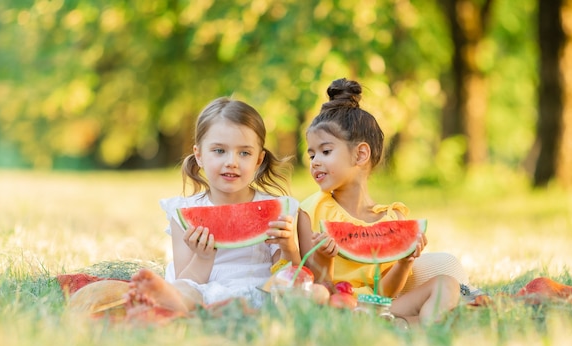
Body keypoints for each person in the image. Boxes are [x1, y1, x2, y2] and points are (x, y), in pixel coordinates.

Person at [297, 78, 472, 327]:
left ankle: (427, 329)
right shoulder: (310, 210)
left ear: (360, 154)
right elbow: (315, 283)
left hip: (378, 307)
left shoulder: (393, 219)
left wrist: (404, 261)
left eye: (325, 152)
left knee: (447, 283)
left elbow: (386, 293)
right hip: (335, 306)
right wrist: (326, 258)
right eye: (311, 154)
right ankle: (411, 325)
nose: (314, 161)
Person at [126, 97, 300, 316]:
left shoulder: (277, 209)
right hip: (203, 290)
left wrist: (289, 247)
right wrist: (203, 257)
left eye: (244, 153)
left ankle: (170, 308)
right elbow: (186, 278)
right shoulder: (182, 211)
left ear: (258, 160)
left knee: (296, 292)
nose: (232, 162)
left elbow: (287, 275)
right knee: (184, 290)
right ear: (199, 156)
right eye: (219, 151)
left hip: (258, 291)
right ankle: (160, 305)